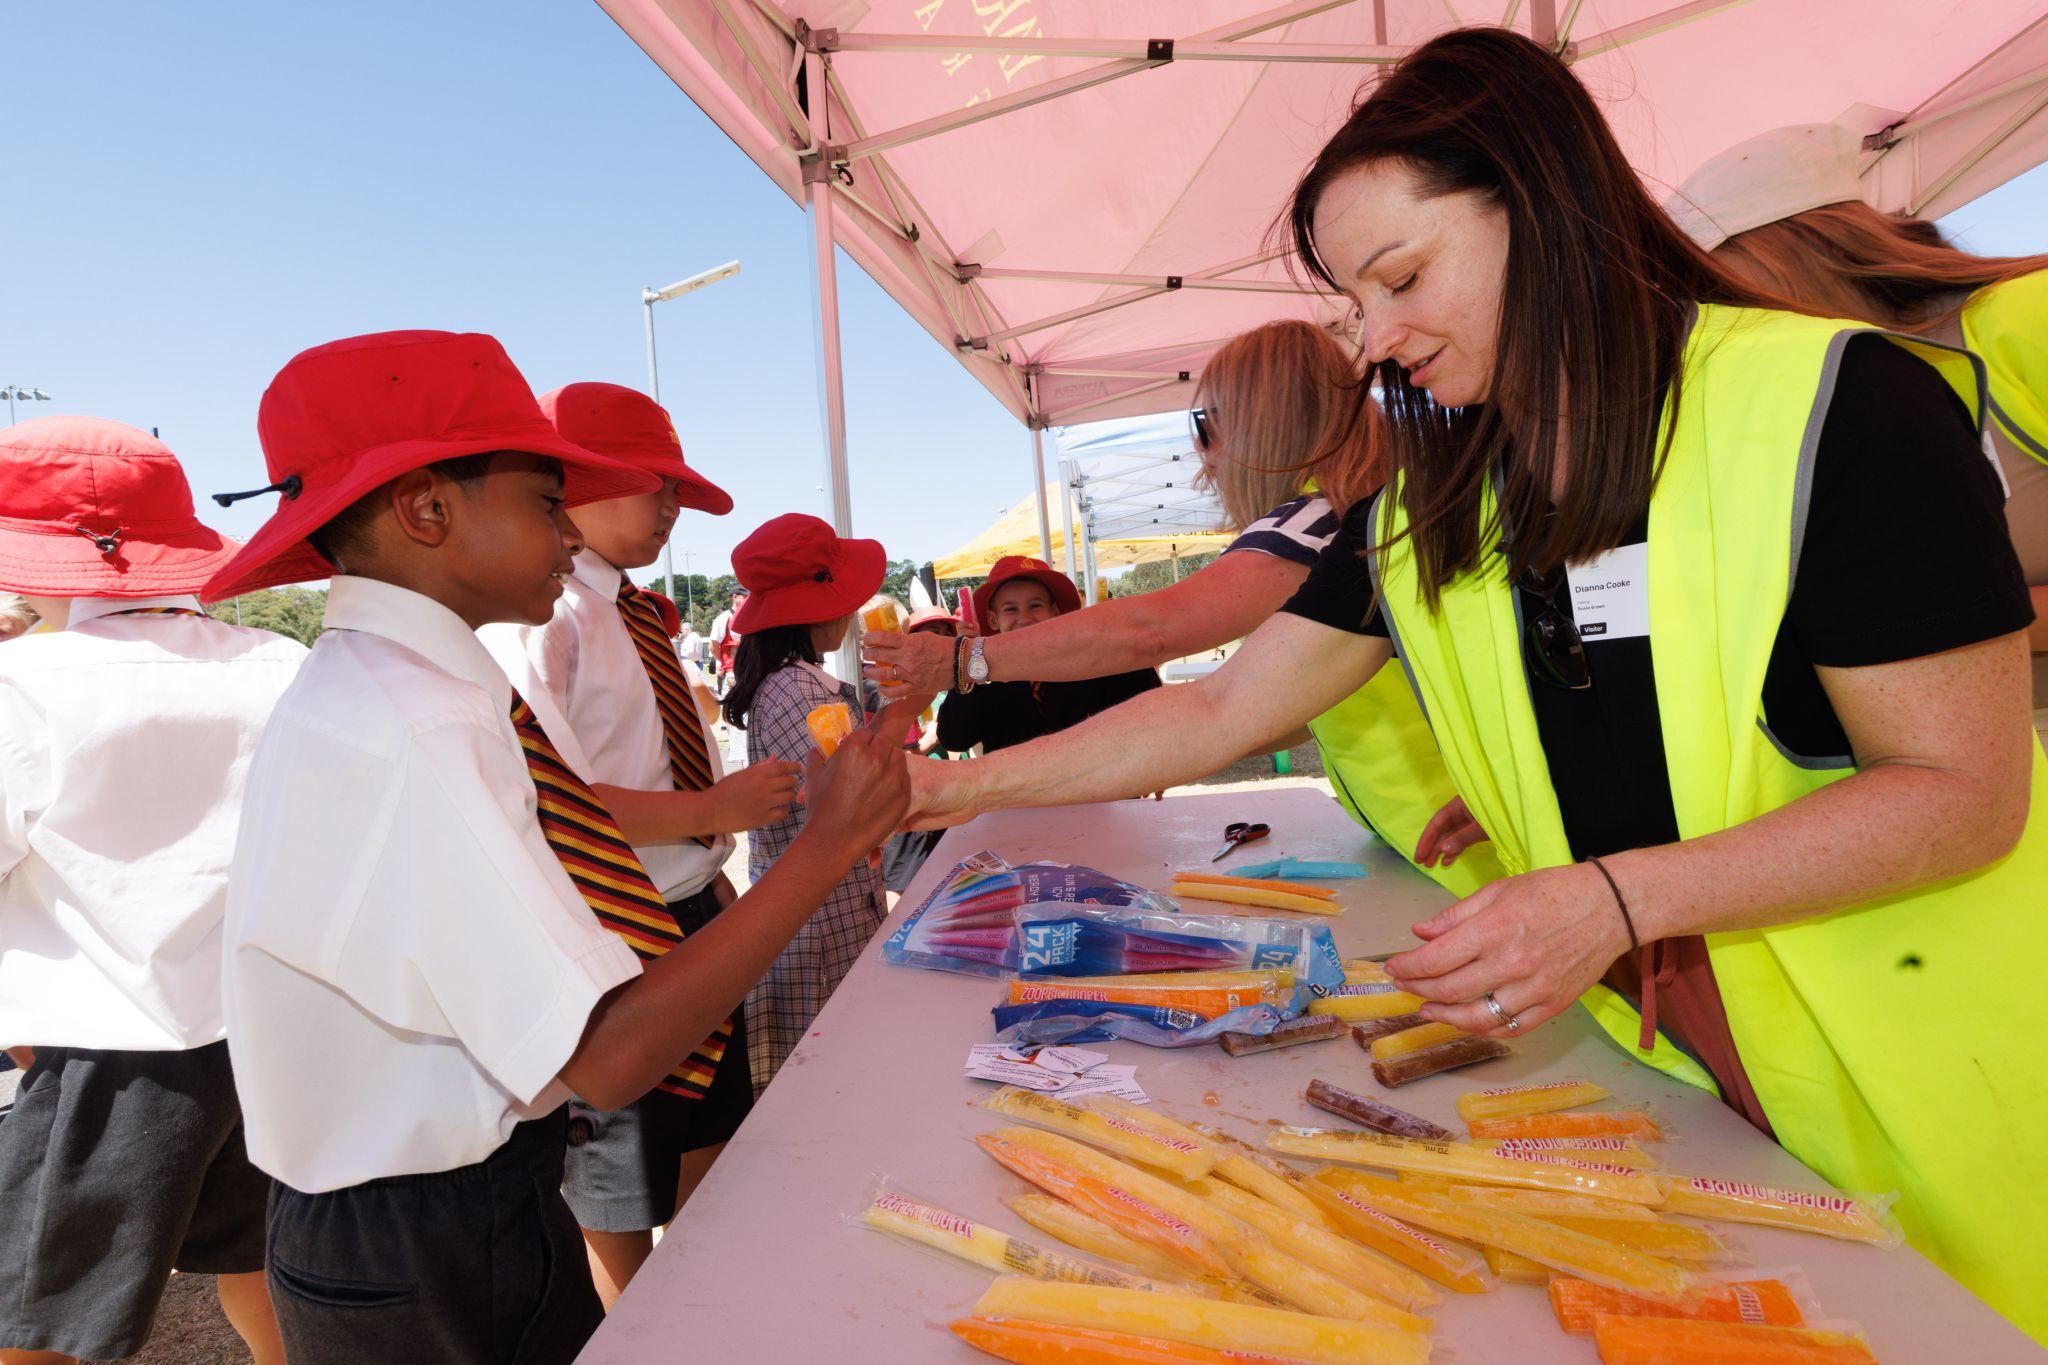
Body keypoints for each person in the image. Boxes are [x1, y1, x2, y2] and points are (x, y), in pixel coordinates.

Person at [908, 30, 2047, 1341]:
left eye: (1401, 276)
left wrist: (1608, 901)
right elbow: (1223, 706)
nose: (1378, 341)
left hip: (1950, 1079)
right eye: (1357, 303)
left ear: (1547, 205)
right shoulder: (1437, 503)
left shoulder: (1844, 407)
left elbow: (1962, 795)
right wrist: (942, 787)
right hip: (1691, 1074)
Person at [212, 331, 908, 1365]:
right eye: (546, 502)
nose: (564, 534)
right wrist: (824, 846)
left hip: (423, 1213)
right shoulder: (422, 723)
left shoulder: (395, 691)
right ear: (427, 510)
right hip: (428, 1234)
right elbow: (614, 1056)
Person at [867, 322, 1502, 893]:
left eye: (1204, 426)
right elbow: (1284, 709)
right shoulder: (1370, 517)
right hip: (1450, 847)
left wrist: (963, 662)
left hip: (1466, 866)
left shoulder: (1314, 522)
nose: (1202, 457)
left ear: (1259, 424)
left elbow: (1153, 629)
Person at [477, 382, 801, 1307]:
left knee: (712, 1133)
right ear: (568, 482)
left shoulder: (633, 612)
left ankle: (696, 1306)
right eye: (652, 485)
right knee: (614, 1182)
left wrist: (707, 868)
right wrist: (713, 805)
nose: (668, 509)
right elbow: (543, 801)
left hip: (686, 904)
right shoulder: (543, 622)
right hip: (611, 925)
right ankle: (638, 1322)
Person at [0, 417, 301, 1365]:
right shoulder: (280, 664)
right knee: (259, 1263)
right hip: (264, 1037)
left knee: (43, 1313)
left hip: (100, 1051)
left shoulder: (26, 683)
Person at [1668, 121, 2048, 711]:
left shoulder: (2026, 312)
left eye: (1720, 285)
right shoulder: (1830, 401)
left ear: (1799, 251)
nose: (1720, 316)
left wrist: (1933, 638)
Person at [720, 514, 888, 1096]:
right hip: (820, 914)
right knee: (822, 1079)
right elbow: (847, 796)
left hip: (817, 907)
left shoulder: (791, 683)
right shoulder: (798, 688)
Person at [935, 556, 1161, 754]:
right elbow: (954, 739)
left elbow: (1148, 700)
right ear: (994, 620)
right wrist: (966, 663)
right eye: (1010, 609)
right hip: (1016, 799)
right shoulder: (983, 675)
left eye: (1035, 606)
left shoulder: (1088, 658)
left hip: (1099, 797)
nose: (1024, 618)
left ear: (1055, 612)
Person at [707, 587, 746, 690]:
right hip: (731, 674)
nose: (748, 600)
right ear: (735, 597)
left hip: (748, 670)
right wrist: (724, 662)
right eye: (745, 597)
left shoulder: (749, 617)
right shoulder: (723, 618)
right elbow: (712, 646)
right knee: (730, 704)